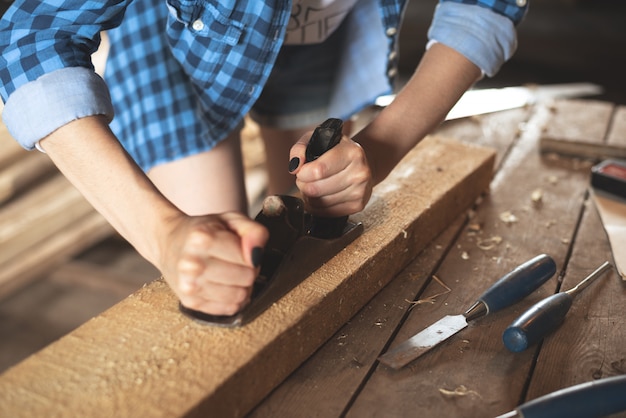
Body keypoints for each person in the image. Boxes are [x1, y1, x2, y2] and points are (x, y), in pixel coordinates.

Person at [0, 0, 527, 317]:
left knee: (314, 248)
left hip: (327, 30)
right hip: (173, 32)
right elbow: (35, 38)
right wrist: (164, 234)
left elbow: (485, 5)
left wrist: (378, 148)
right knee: (220, 272)